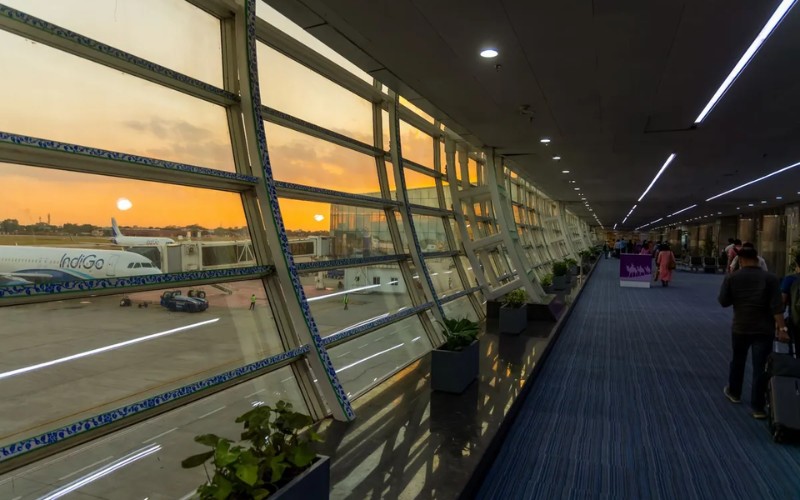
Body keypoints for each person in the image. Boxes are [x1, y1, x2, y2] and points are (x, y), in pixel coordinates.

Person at [719, 247, 789, 419]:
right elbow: (777, 307)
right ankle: (758, 408)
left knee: (738, 360)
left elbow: (724, 302)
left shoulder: (732, 277)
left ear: (741, 260)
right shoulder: (771, 278)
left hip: (741, 326)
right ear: (757, 259)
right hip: (764, 329)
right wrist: (782, 329)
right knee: (761, 367)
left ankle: (734, 392)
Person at [781, 254, 800, 352]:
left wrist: (780, 326)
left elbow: (782, 301)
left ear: (797, 264)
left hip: (796, 321)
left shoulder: (790, 279)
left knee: (795, 349)